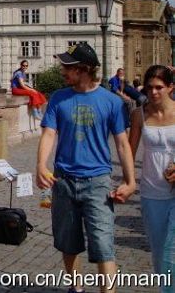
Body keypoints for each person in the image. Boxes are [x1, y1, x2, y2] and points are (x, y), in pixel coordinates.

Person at [36, 43, 136, 293]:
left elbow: (123, 144)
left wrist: (130, 180)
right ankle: (76, 287)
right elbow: (49, 134)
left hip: (98, 182)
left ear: (84, 70)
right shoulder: (59, 98)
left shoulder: (111, 102)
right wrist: (40, 164)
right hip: (64, 181)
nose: (62, 71)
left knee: (103, 245)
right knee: (68, 243)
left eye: (67, 67)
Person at [128, 65, 175, 292]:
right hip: (151, 191)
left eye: (159, 87)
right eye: (150, 88)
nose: (154, 92)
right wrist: (129, 182)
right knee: (158, 253)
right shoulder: (139, 115)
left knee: (171, 250)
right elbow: (129, 151)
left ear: (170, 87)